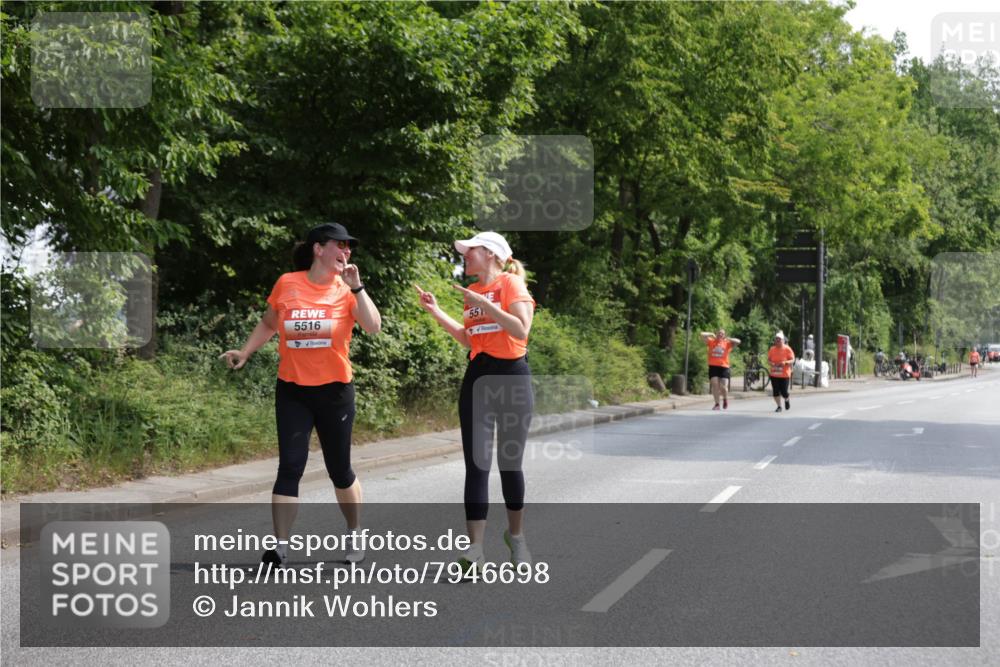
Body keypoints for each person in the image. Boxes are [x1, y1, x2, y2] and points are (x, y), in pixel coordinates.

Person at [220, 223, 382, 567]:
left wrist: (358, 289)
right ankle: (279, 546)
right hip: (293, 389)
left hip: (335, 391)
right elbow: (268, 323)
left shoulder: (346, 290)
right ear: (318, 249)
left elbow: (373, 326)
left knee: (339, 469)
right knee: (290, 466)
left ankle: (355, 532)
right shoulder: (287, 284)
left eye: (349, 247)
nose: (347, 251)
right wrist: (246, 352)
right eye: (340, 245)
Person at [414, 231, 536, 573]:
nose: (464, 255)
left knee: (509, 464)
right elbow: (469, 338)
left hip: (512, 379)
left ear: (491, 254)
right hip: (478, 380)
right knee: (477, 464)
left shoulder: (510, 285)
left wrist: (486, 305)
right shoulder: (473, 295)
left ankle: (517, 538)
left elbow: (521, 330)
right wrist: (437, 311)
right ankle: (476, 549)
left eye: (471, 251)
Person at [699, 328, 741, 410]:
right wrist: (711, 334)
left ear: (724, 335)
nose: (720, 334)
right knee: (715, 385)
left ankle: (725, 399)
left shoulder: (727, 343)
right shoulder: (711, 341)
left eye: (722, 333)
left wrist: (729, 339)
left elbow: (738, 341)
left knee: (724, 387)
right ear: (716, 334)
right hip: (713, 366)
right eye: (719, 333)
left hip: (724, 367)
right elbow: (702, 334)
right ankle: (717, 404)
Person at [768, 331, 795, 413]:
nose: (777, 341)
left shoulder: (787, 349)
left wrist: (785, 362)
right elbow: (768, 360)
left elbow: (792, 360)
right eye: (776, 339)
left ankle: (786, 399)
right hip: (774, 374)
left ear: (783, 340)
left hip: (784, 374)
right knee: (775, 392)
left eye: (779, 339)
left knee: (784, 392)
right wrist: (771, 363)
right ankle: (779, 406)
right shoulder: (772, 349)